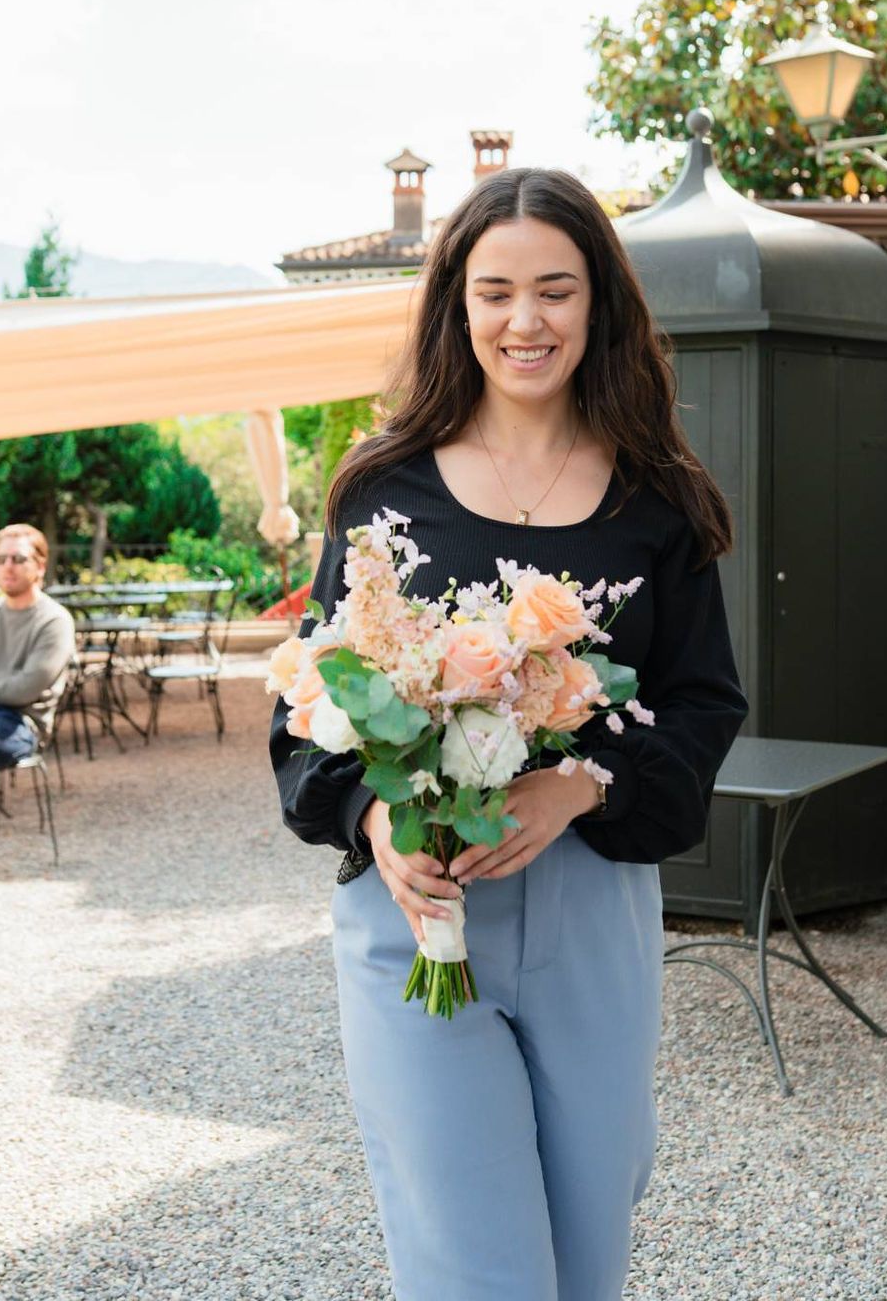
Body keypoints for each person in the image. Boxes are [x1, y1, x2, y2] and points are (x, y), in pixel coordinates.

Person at [270, 168, 750, 1301]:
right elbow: (305, 711)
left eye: (554, 290)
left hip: (591, 909)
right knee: (472, 1261)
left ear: (600, 306)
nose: (523, 321)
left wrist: (580, 786)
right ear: (455, 305)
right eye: (494, 292)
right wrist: (374, 812)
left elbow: (704, 706)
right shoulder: (381, 492)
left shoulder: (658, 502)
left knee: (590, 1244)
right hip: (421, 911)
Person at [0, 523, 76, 770]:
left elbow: (23, 690)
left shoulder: (54, 620)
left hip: (21, 723)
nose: (8, 566)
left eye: (19, 559)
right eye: (0, 558)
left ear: (40, 566)